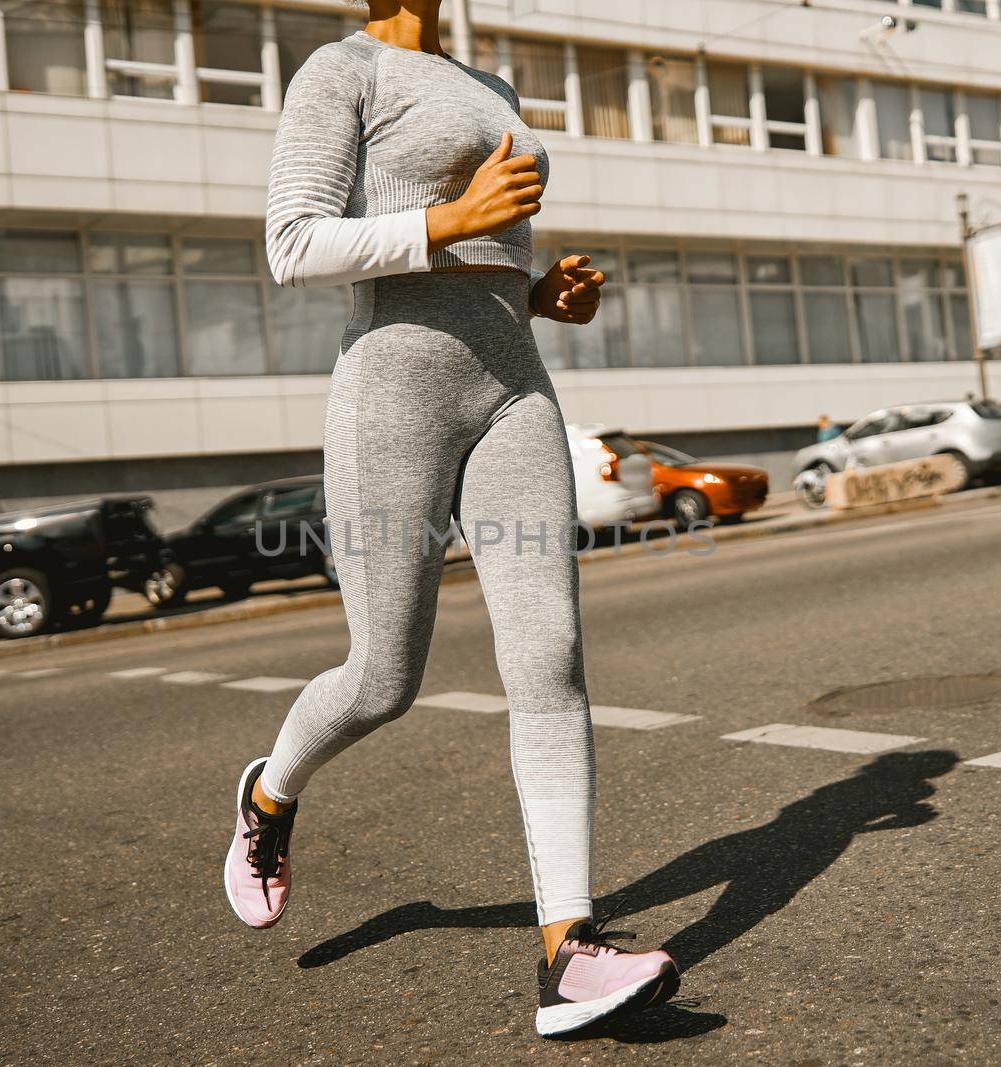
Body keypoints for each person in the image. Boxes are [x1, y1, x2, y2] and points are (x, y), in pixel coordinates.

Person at [222, 0, 680, 1038]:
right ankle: (269, 795)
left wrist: (539, 287)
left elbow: (486, 250)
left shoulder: (493, 89)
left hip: (512, 383)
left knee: (551, 655)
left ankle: (569, 947)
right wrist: (452, 221)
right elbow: (294, 245)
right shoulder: (338, 74)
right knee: (382, 676)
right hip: (393, 391)